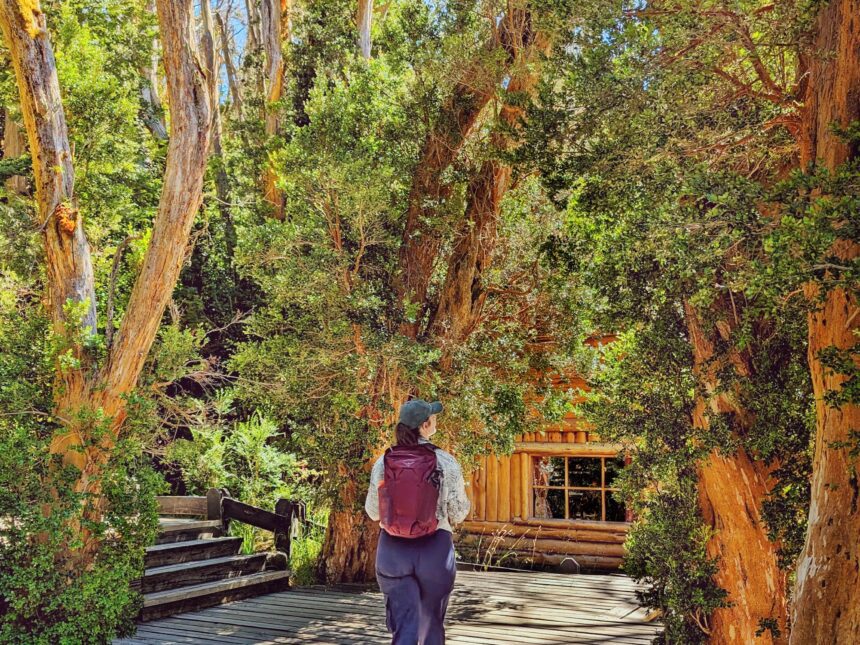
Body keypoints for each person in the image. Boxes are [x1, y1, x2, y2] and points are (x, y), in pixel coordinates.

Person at [365, 399, 470, 645]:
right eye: (433, 418)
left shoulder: (383, 462)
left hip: (393, 551)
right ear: (426, 425)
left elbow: (373, 511)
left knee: (404, 628)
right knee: (432, 622)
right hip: (435, 550)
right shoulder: (445, 462)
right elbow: (458, 512)